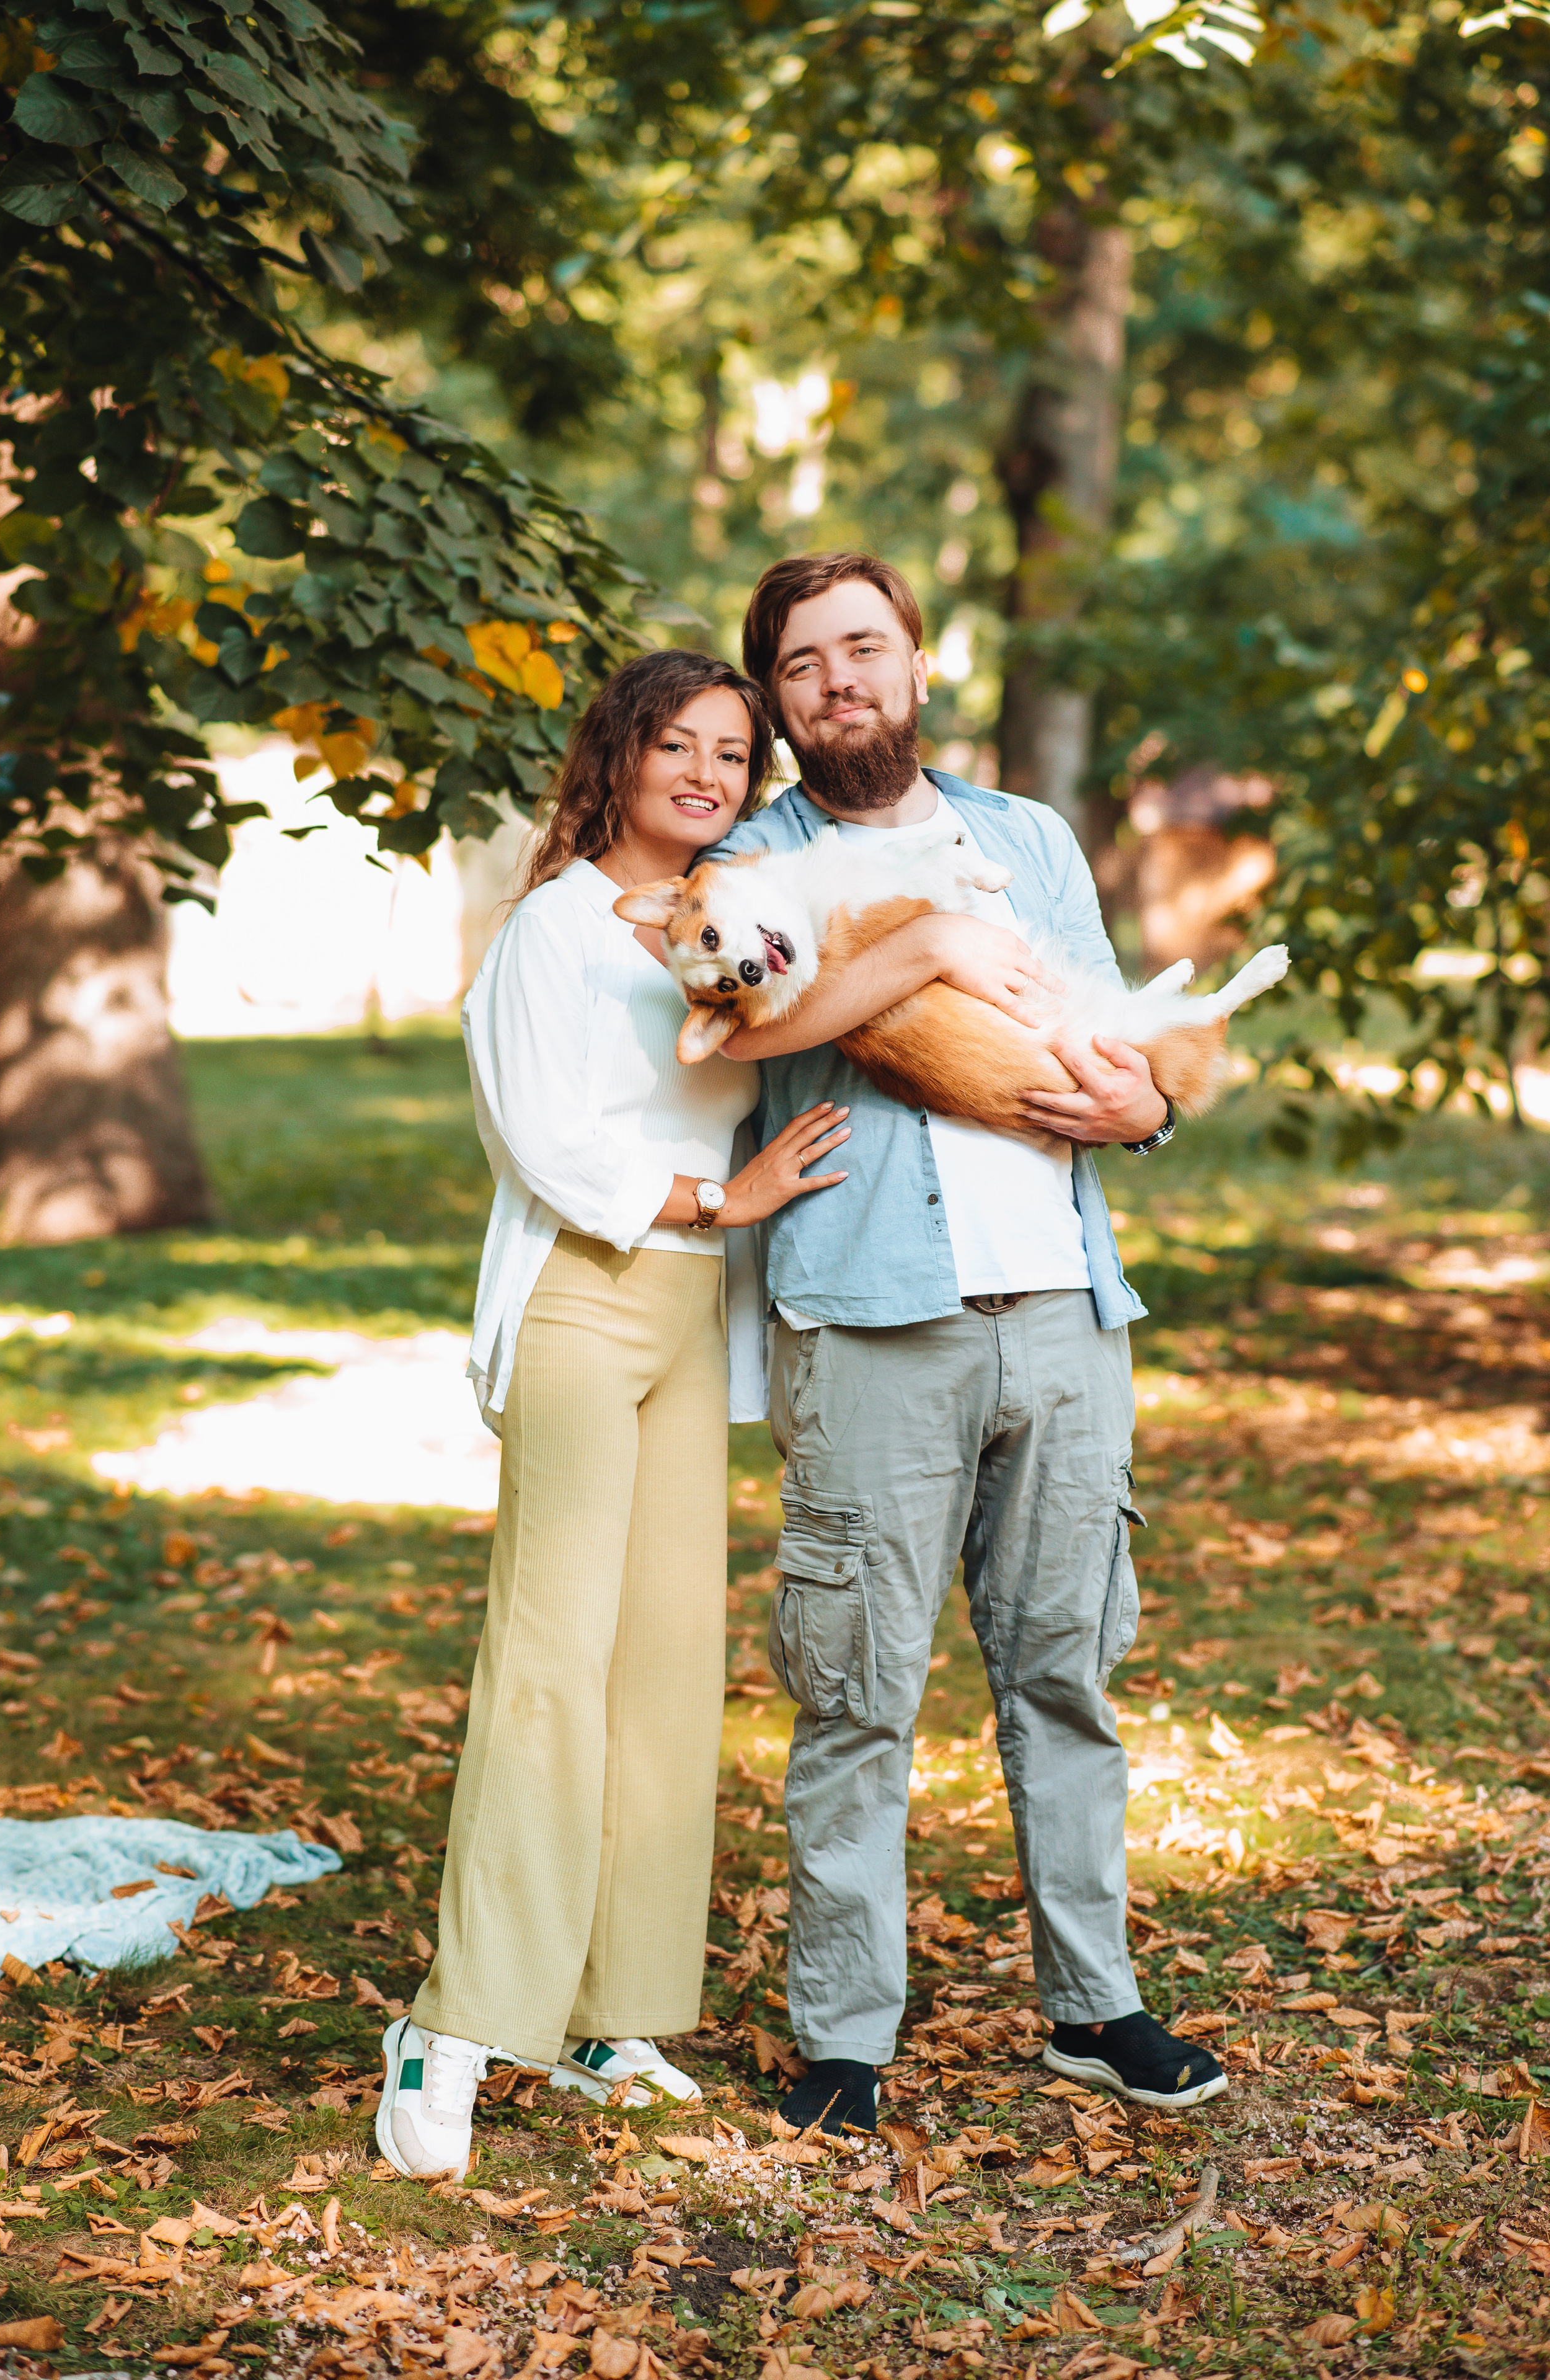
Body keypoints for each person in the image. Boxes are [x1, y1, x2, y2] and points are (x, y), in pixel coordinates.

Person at [702, 551, 1228, 2129]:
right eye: (802, 664)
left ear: (917, 665)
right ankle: (842, 2039)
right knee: (857, 1690)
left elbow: (1116, 1031)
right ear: (777, 698)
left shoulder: (1026, 837)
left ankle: (1094, 2005)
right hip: (870, 1318)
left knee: (1064, 1670)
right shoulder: (753, 856)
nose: (838, 682)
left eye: (863, 647)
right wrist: (927, 946)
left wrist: (1146, 1107)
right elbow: (752, 1015)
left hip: (1062, 1309)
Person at [374, 648, 851, 2182]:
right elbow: (542, 1139)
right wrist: (725, 1196)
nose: (709, 774)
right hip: (584, 1294)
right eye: (679, 745)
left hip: (692, 1316)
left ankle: (607, 2014)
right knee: (550, 1659)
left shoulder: (737, 918)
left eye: (734, 752)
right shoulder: (552, 928)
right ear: (621, 755)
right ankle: (453, 2024)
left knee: (663, 1666)